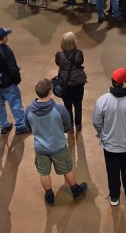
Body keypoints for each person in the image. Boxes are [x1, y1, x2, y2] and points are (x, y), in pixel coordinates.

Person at [25, 78, 89, 206]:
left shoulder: (28, 110)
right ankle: (75, 190)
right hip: (58, 146)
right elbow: (67, 125)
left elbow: (28, 127)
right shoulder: (59, 109)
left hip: (40, 148)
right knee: (67, 169)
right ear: (50, 92)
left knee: (43, 172)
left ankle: (49, 195)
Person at [93, 68, 126, 206]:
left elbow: (96, 122)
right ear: (125, 82)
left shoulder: (102, 101)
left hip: (110, 145)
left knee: (112, 171)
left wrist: (102, 133)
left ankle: (114, 197)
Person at [0, 27, 30, 135]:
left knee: (0, 104)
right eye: (7, 35)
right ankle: (21, 126)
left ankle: (4, 125)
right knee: (15, 104)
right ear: (4, 38)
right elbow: (12, 68)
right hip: (8, 83)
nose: (7, 37)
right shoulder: (7, 51)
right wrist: (17, 80)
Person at [54, 31, 87, 132]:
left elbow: (58, 64)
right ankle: (78, 125)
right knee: (78, 105)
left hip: (65, 85)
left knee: (67, 106)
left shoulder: (59, 55)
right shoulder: (79, 54)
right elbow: (81, 62)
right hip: (78, 84)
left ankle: (70, 126)